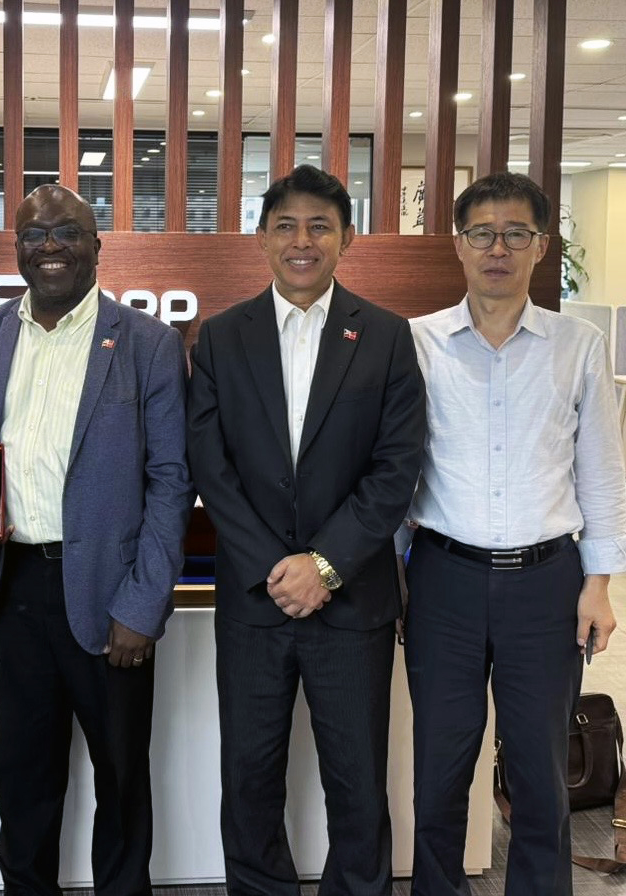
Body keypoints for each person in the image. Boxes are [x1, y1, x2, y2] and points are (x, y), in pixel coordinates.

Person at [0, 183, 193, 896]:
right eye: (34, 235)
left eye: (67, 232)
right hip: (15, 587)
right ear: (17, 247)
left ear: (96, 246)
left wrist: (143, 605)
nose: (49, 246)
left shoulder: (146, 342)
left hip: (112, 597)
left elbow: (172, 481)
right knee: (22, 777)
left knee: (121, 778)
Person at [187, 164, 427, 895]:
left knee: (357, 783)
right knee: (249, 777)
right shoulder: (221, 337)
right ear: (261, 238)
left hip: (351, 600)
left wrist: (322, 565)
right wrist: (276, 567)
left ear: (346, 238)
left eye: (320, 226)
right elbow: (210, 465)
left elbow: (397, 468)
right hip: (254, 601)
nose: (302, 241)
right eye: (286, 226)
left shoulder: (385, 336)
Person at [401, 171, 626, 896]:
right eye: (482, 233)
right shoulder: (417, 343)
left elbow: (601, 470)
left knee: (540, 774)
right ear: (458, 244)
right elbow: (396, 470)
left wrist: (599, 584)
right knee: (440, 769)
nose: (497, 248)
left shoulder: (578, 344)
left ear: (541, 245)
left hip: (547, 584)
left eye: (515, 234)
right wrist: (397, 574)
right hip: (443, 580)